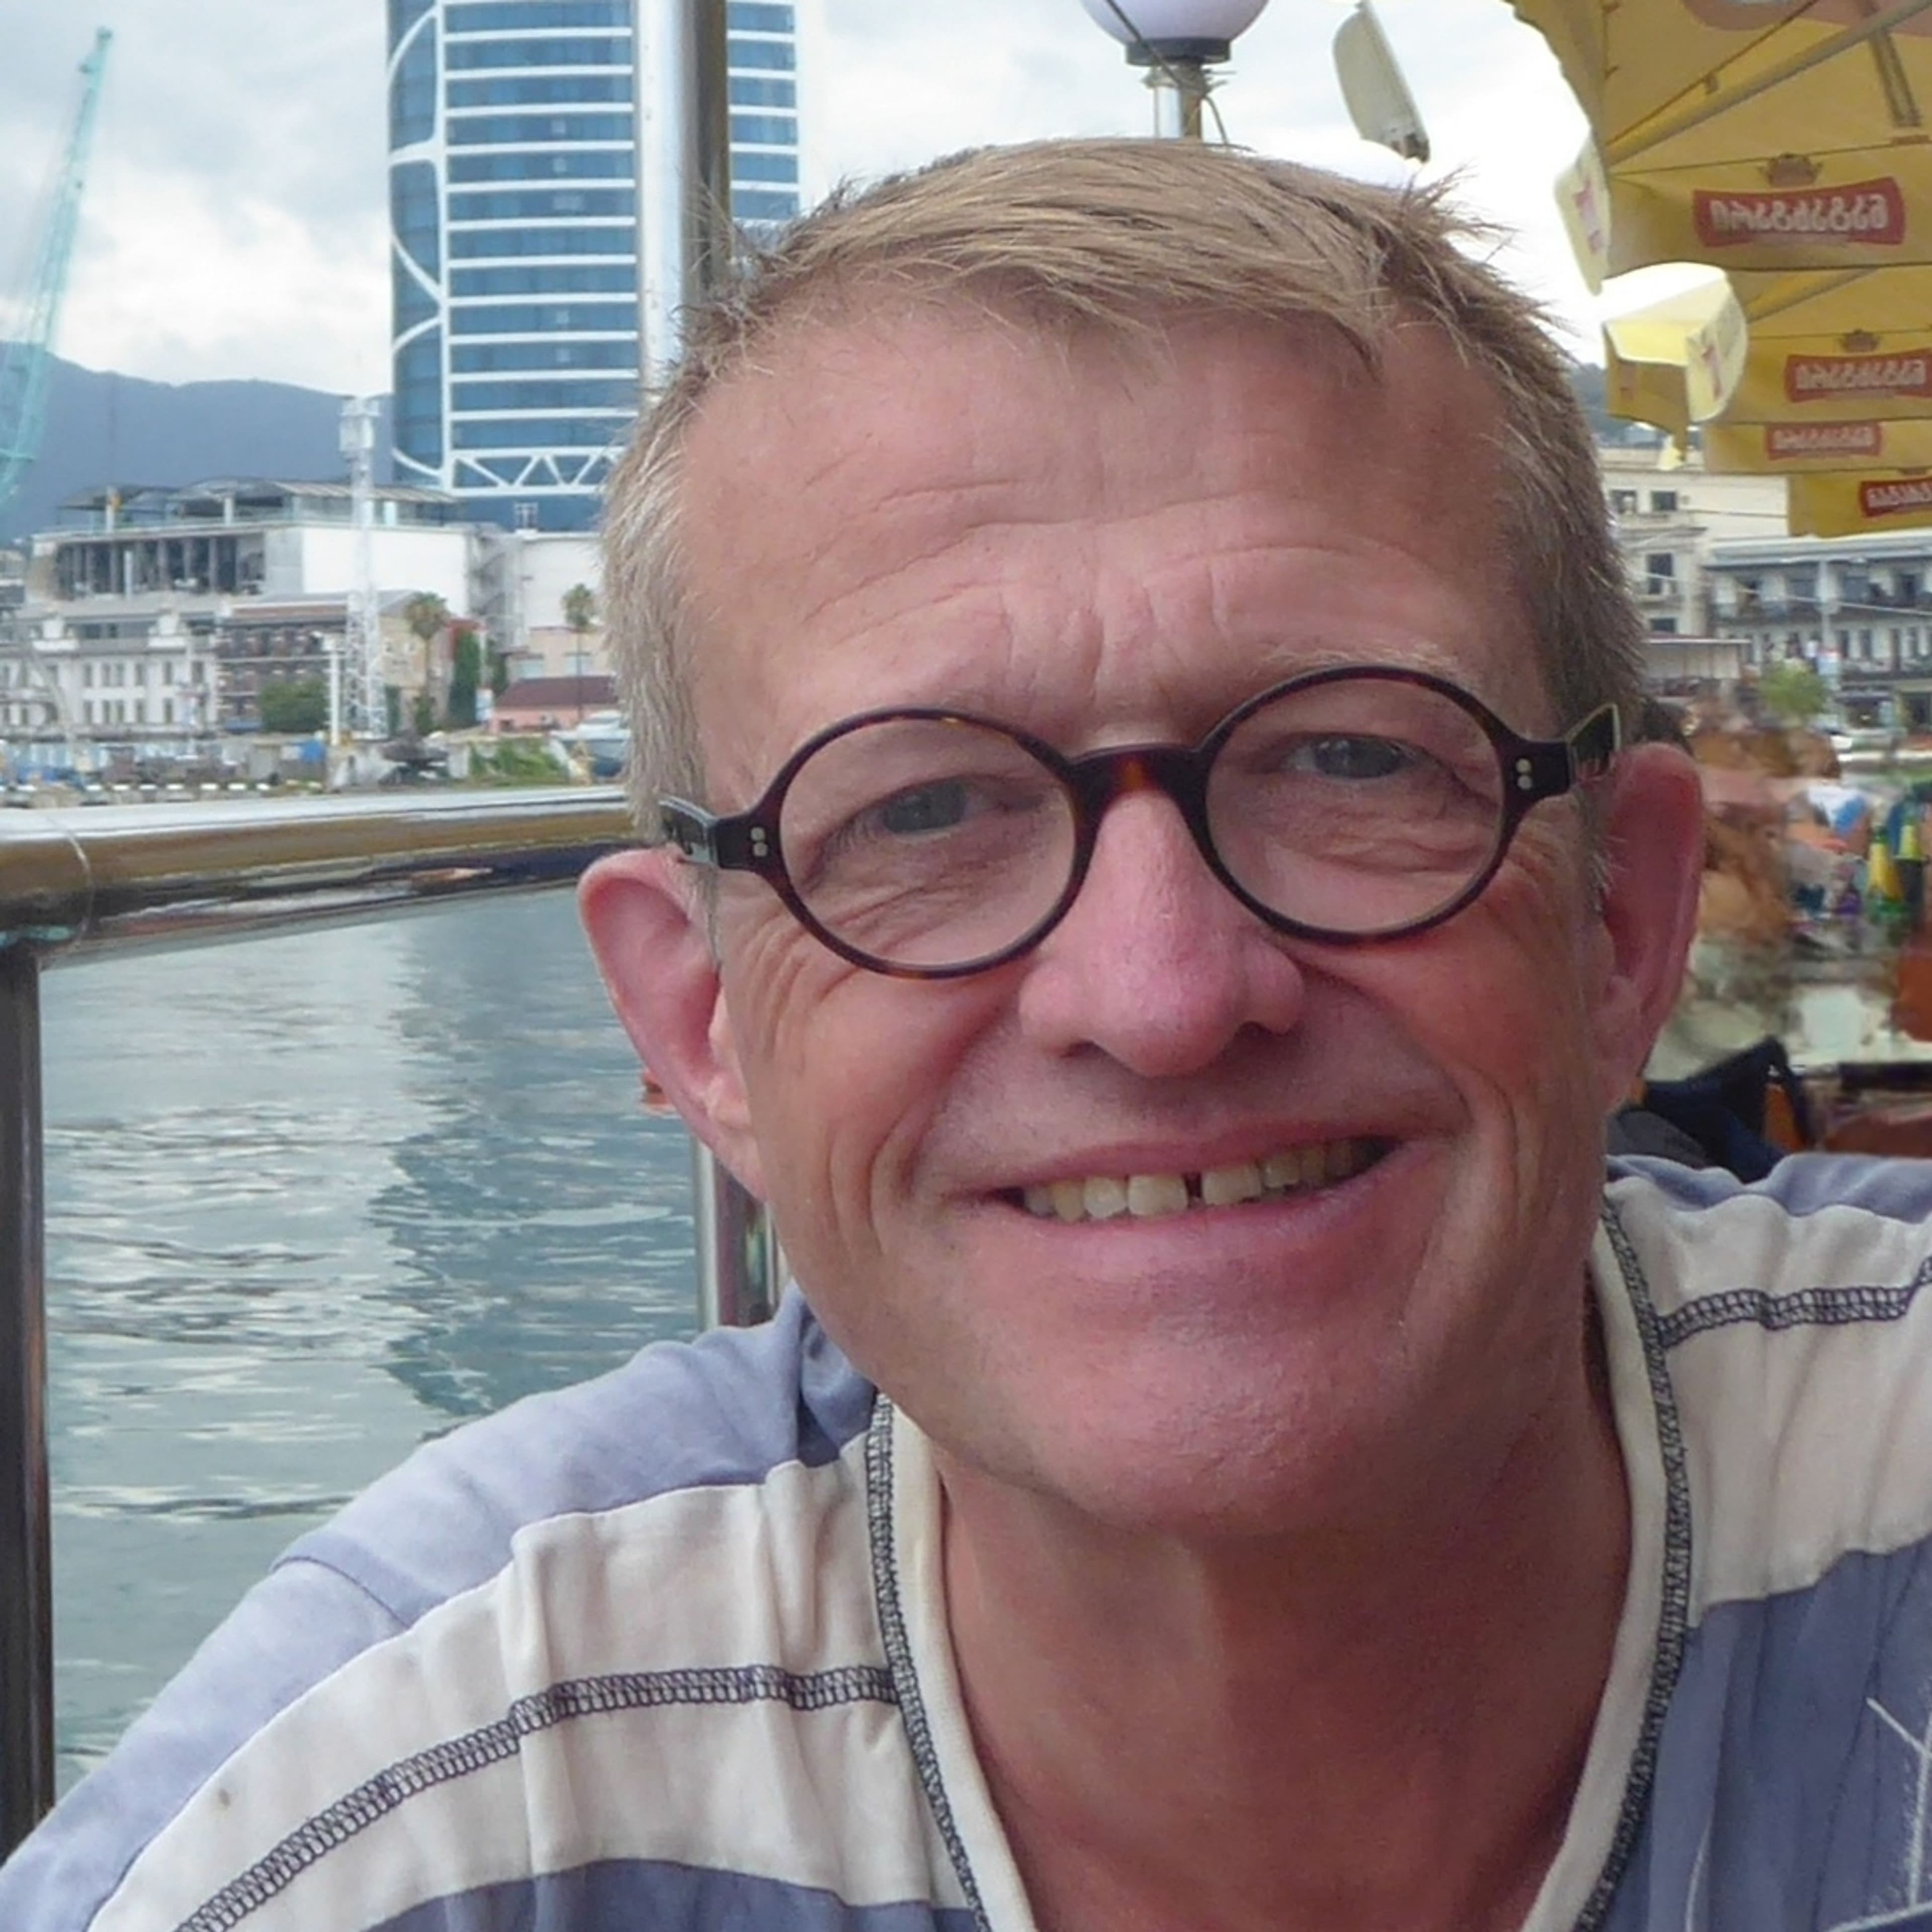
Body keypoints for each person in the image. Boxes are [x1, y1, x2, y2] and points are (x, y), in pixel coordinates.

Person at [7, 138, 1932, 1932]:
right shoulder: (434, 1769)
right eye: (921, 812)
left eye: (1351, 758)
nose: (1165, 998)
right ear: (702, 1029)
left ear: (1620, 922)